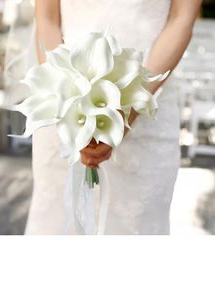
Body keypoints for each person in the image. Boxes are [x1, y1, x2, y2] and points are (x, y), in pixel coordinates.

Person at [25, 0, 202, 235]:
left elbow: (181, 19)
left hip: (150, 107)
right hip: (64, 107)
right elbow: (47, 19)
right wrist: (68, 104)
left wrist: (129, 110)